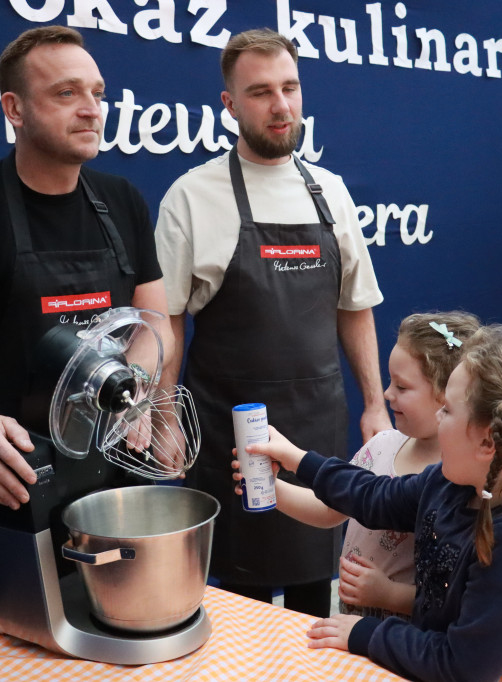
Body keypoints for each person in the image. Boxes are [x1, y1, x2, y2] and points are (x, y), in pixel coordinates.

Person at [154, 28, 390, 617]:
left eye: (290, 87)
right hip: (227, 429)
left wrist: (373, 404)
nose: (280, 105)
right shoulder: (191, 196)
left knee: (314, 592)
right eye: (260, 92)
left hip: (316, 424)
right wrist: (162, 415)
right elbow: (167, 321)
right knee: (236, 597)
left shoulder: (329, 193)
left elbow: (354, 305)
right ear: (229, 105)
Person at [0, 26, 170, 515]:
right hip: (23, 480)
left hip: (123, 462)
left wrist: (129, 387)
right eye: (66, 93)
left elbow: (157, 325)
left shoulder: (124, 201)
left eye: (97, 93)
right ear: (15, 109)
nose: (91, 108)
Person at [247, 324, 502, 682]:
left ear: (488, 443)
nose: (438, 417)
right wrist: (298, 460)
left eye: (449, 411)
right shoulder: (451, 483)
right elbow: (373, 495)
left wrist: (365, 634)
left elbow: (462, 665)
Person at [233, 312, 479, 620]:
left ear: (447, 397)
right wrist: (272, 489)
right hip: (352, 626)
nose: (387, 394)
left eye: (402, 387)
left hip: (403, 639)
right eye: (390, 382)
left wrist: (387, 595)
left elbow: (449, 596)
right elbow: (329, 509)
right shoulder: (382, 445)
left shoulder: (457, 477)